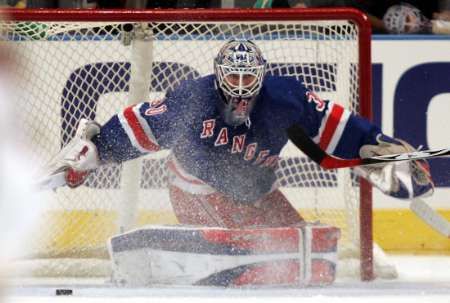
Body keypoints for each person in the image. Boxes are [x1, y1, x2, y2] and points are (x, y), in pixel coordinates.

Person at [55, 39, 433, 229]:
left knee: (303, 259)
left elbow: (339, 129)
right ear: (219, 73)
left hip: (257, 188)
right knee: (240, 261)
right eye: (232, 77)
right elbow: (143, 125)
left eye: (247, 77)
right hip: (195, 186)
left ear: (262, 74)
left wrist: (379, 150)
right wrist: (98, 150)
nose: (239, 86)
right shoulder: (194, 98)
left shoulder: (286, 99)